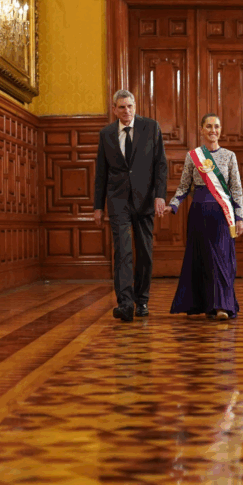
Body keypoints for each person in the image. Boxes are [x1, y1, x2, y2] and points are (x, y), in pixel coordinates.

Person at [94, 90, 168, 323]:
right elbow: (101, 172)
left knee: (144, 252)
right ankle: (125, 303)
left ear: (135, 106)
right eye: (122, 107)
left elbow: (161, 164)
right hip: (118, 201)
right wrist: (98, 206)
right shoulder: (106, 134)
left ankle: (142, 300)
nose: (126, 111)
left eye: (130, 106)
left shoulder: (151, 127)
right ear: (114, 109)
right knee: (123, 251)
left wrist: (160, 196)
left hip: (145, 200)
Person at [168, 114, 243, 320]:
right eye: (209, 126)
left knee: (221, 259)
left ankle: (222, 306)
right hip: (199, 214)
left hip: (222, 216)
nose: (213, 130)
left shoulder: (229, 156)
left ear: (221, 130)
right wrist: (173, 205)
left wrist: (239, 217)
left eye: (216, 126)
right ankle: (208, 305)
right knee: (203, 260)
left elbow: (236, 189)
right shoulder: (193, 156)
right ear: (201, 130)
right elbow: (184, 186)